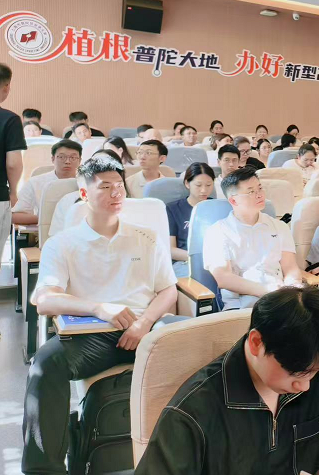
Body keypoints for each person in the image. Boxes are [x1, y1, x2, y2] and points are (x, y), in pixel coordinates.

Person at [23, 155, 178, 474]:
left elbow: (168, 290)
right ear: (84, 194)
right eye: (105, 187)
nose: (116, 193)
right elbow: (45, 300)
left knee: (206, 350)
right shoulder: (63, 243)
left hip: (146, 332)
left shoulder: (146, 238)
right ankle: (44, 469)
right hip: (92, 336)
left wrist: (144, 323)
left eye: (119, 186)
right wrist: (97, 307)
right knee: (45, 366)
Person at [135, 287, 319, 475]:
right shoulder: (192, 413)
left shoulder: (318, 383)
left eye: (315, 371)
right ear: (256, 342)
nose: (305, 386)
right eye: (295, 373)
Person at [203, 168, 300, 310]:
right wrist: (268, 291)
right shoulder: (217, 231)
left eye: (260, 188)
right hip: (242, 302)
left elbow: (290, 268)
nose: (259, 194)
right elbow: (223, 277)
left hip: (280, 298)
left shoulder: (279, 226)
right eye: (251, 192)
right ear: (233, 200)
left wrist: (293, 288)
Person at [12, 139, 81, 226]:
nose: (67, 161)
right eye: (61, 157)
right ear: (53, 159)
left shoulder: (88, 182)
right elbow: (15, 216)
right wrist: (47, 219)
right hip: (45, 230)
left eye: (73, 158)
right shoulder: (35, 182)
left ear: (80, 161)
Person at [166, 162, 215, 265]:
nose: (204, 190)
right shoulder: (173, 209)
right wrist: (200, 258)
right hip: (186, 261)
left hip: (216, 262)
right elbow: (171, 249)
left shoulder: (217, 207)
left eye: (208, 185)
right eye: (198, 185)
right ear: (187, 183)